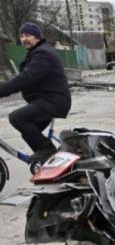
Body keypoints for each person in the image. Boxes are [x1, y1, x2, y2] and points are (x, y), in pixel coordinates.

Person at [0, 23, 71, 163]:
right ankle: (49, 162)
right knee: (28, 133)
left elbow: (25, 79)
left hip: (53, 101)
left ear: (37, 37)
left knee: (17, 118)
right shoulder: (37, 52)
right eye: (21, 36)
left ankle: (47, 151)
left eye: (27, 35)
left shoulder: (42, 53)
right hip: (48, 100)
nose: (24, 39)